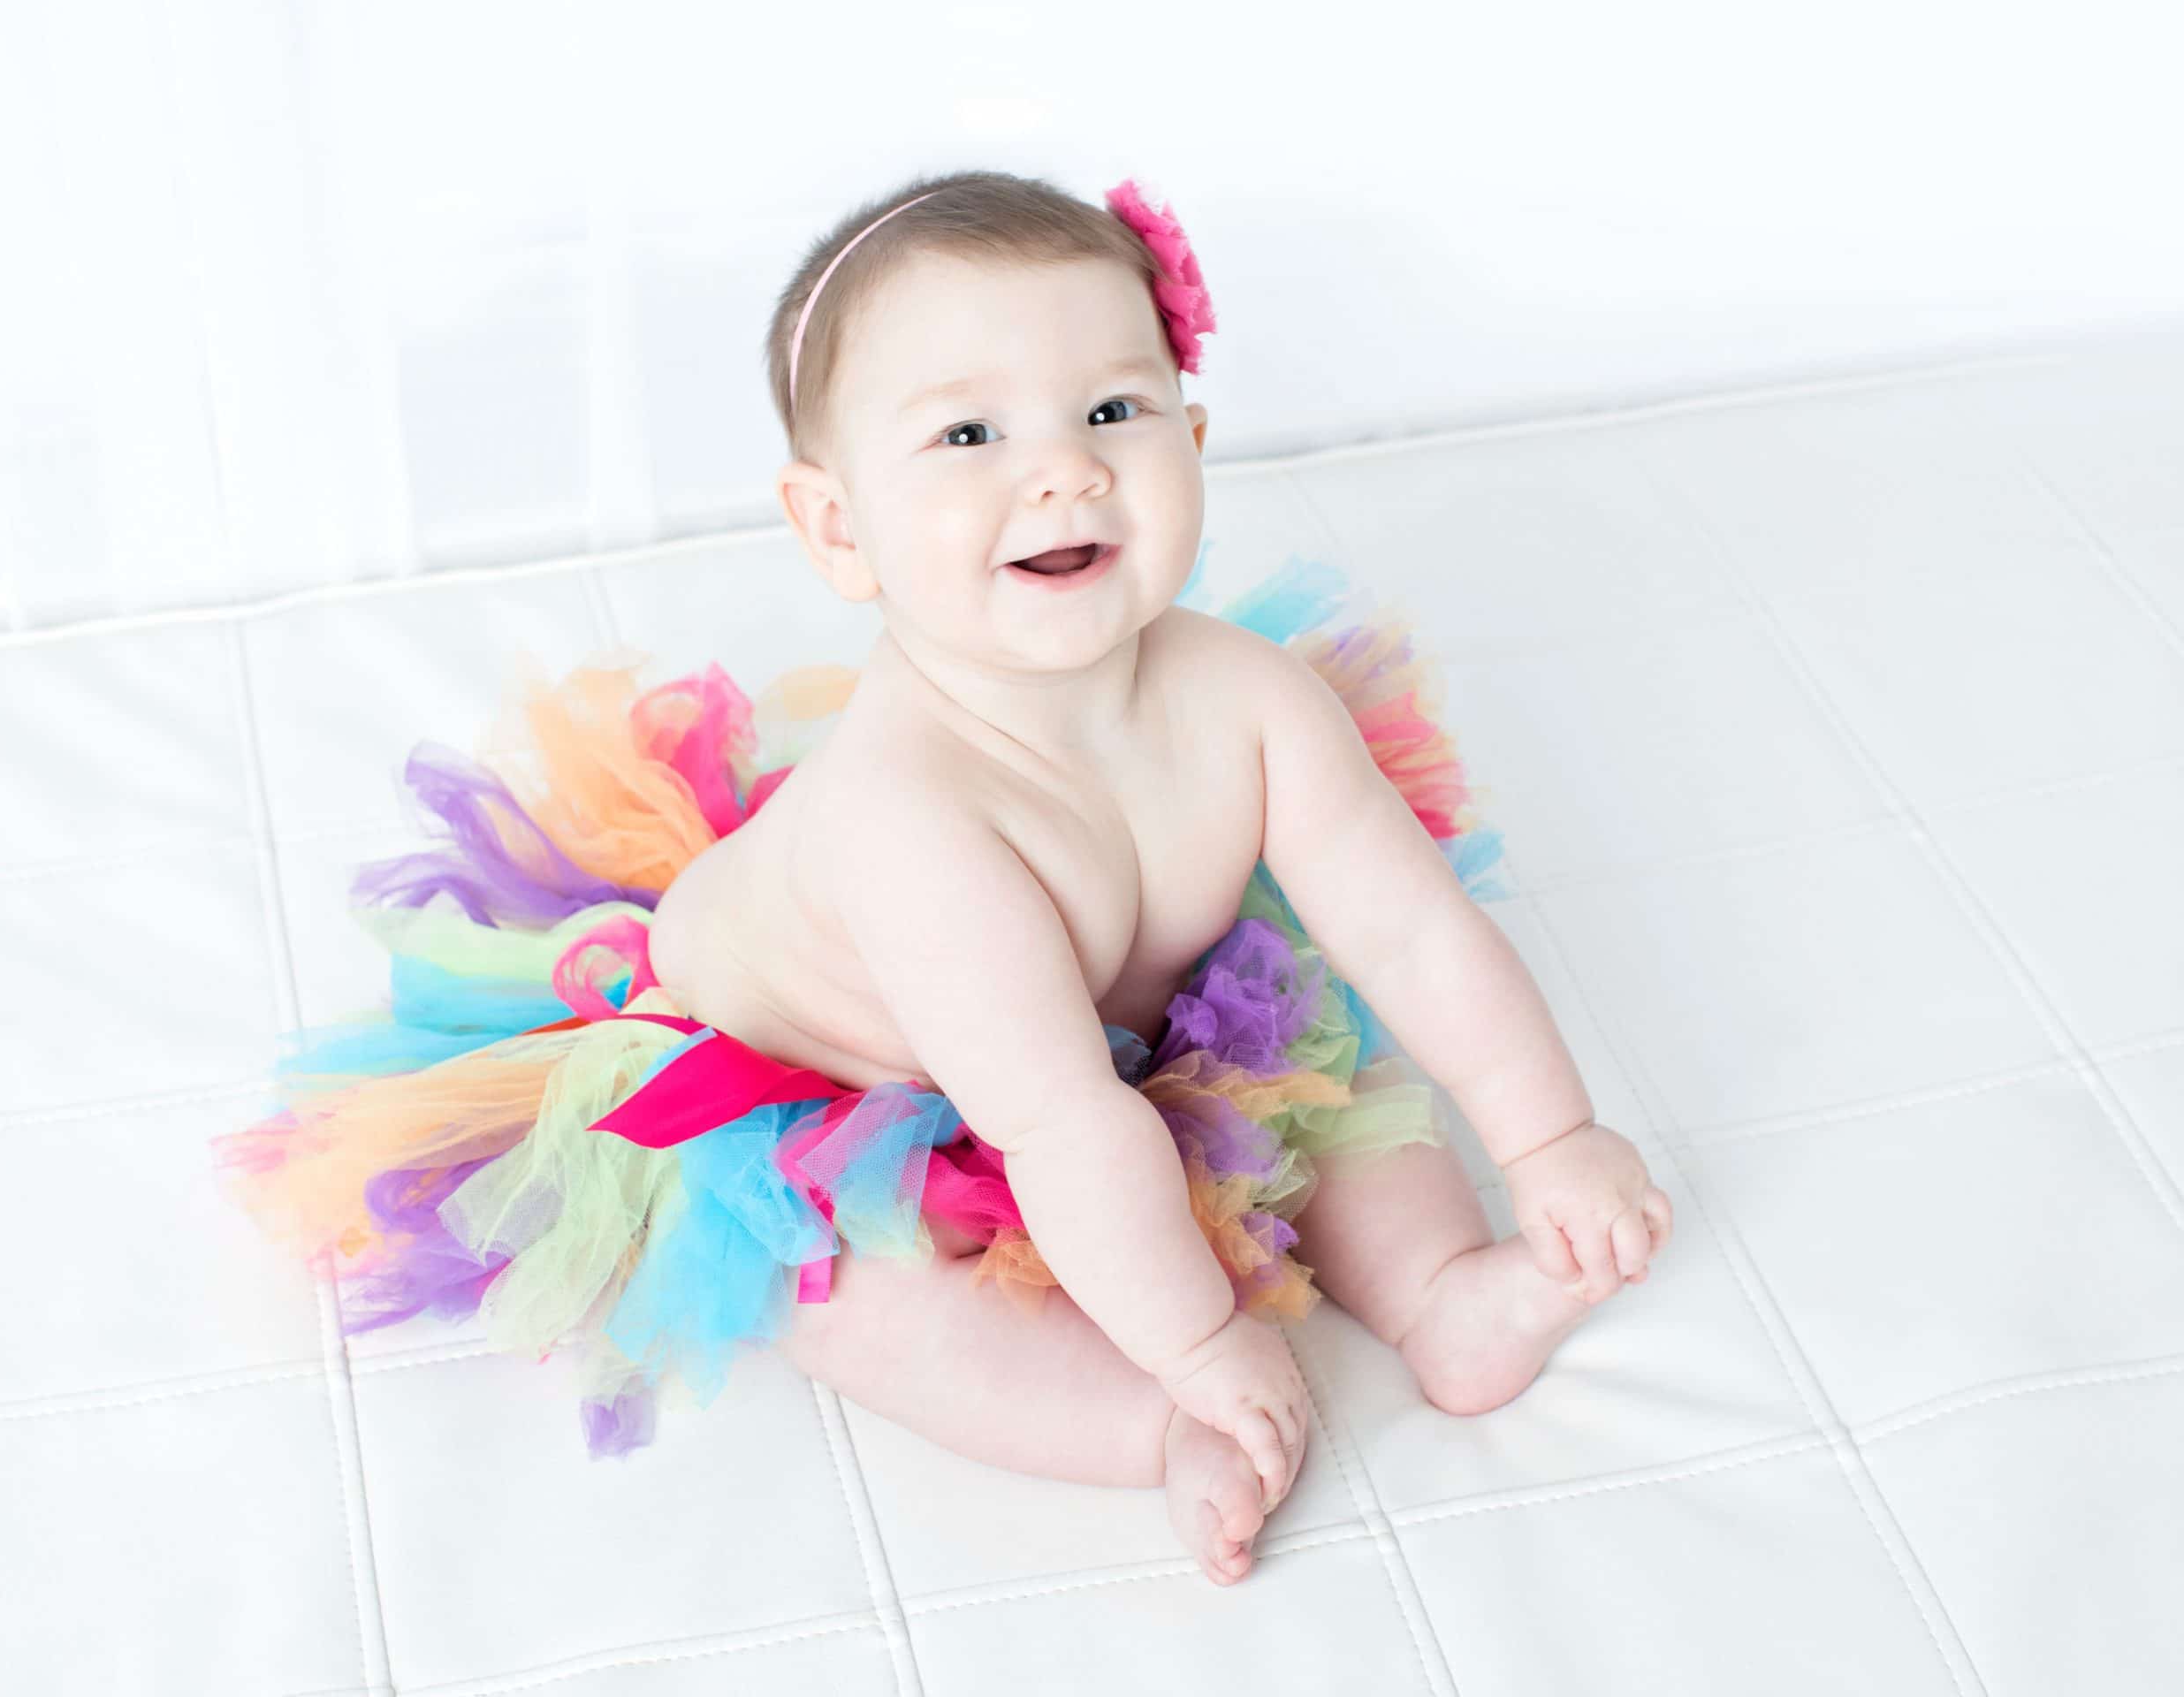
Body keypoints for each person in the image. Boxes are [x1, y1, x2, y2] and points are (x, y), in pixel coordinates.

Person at [214, 168, 1672, 1587]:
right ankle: (1154, 1427)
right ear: (839, 529)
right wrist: (1197, 1345)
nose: (1063, 467)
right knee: (862, 1298)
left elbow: (1416, 935)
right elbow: (1053, 1124)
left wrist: (1552, 1142)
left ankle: (1445, 1298)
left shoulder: (1253, 700)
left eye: (1114, 408)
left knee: (1342, 1076)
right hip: (845, 1088)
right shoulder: (911, 820)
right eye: (969, 433)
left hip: (1104, 1043)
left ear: (1193, 434)